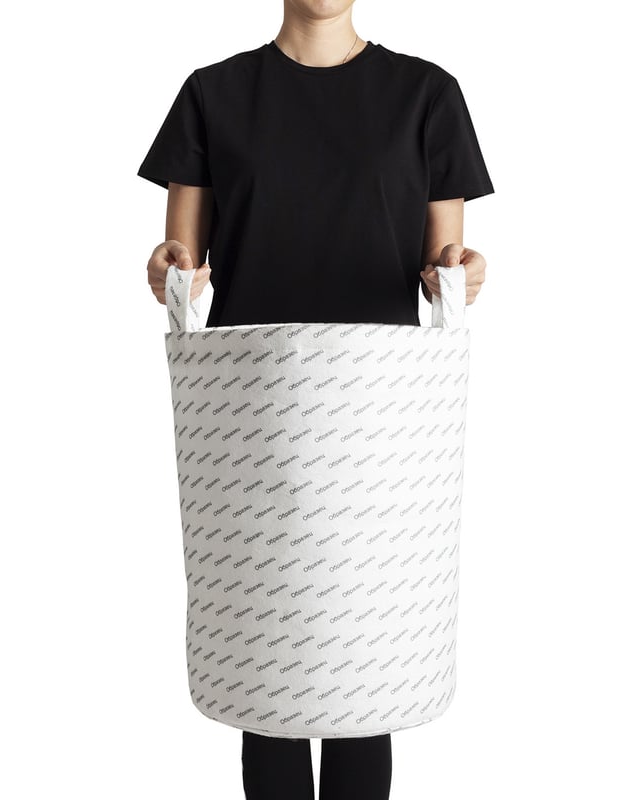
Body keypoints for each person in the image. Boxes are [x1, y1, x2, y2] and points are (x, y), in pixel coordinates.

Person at [137, 2, 494, 798]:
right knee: (265, 671)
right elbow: (180, 260)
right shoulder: (213, 95)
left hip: (379, 423)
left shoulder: (425, 95)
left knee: (367, 670)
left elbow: (446, 259)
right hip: (251, 417)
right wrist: (167, 270)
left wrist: (464, 273)